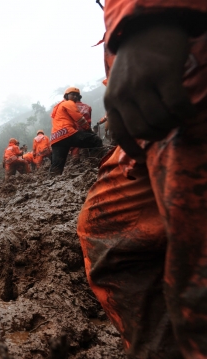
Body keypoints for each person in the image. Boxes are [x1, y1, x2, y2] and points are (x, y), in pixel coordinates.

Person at [77, 1, 207, 357]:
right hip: (150, 110)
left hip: (185, 60)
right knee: (109, 227)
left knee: (199, 282)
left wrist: (156, 19)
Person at [49, 87, 102, 175]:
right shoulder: (69, 103)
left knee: (57, 166)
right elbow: (79, 118)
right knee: (95, 140)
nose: (75, 97)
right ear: (66, 96)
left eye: (76, 95)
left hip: (56, 138)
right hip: (67, 133)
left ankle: (51, 183)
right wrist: (89, 131)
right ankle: (96, 166)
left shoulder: (58, 107)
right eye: (72, 94)